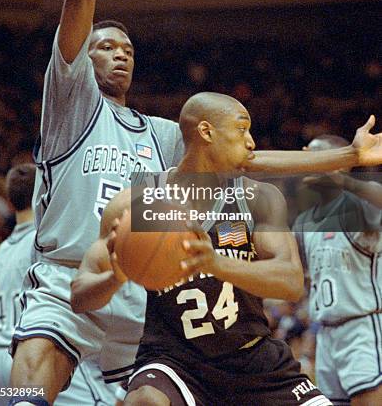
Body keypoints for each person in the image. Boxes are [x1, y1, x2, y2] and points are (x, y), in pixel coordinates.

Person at [8, 0, 382, 405]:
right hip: (71, 277)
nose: (118, 52)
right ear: (81, 59)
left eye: (127, 45)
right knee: (19, 394)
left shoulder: (161, 136)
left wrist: (345, 160)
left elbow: (250, 162)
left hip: (148, 290)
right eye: (104, 45)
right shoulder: (71, 105)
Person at [72, 92, 382, 406]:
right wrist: (117, 276)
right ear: (206, 132)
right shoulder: (139, 203)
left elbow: (289, 282)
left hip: (255, 359)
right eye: (241, 129)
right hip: (175, 363)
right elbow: (79, 296)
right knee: (145, 401)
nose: (251, 142)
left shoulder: (259, 197)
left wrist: (215, 262)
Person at [0, 163, 113, 406]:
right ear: (42, 193)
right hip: (28, 350)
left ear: (10, 202)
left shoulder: (4, 247)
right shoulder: (42, 242)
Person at [293, 135, 382, 406]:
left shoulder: (359, 208)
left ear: (338, 163)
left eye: (319, 157)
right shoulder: (304, 221)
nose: (311, 164)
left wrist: (342, 180)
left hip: (363, 327)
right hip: (327, 333)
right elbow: (312, 285)